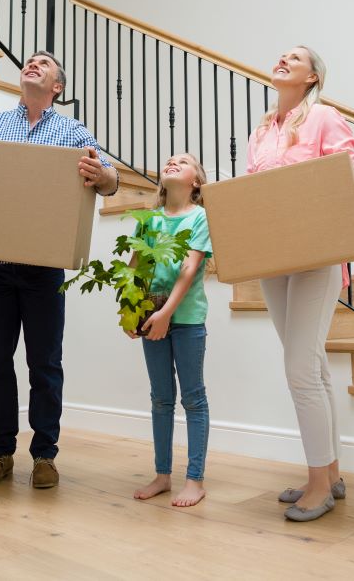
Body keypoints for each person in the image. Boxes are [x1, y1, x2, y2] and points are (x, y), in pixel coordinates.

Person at [0, 51, 118, 489]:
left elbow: (110, 178)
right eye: (29, 61)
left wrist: (101, 177)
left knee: (45, 364)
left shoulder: (72, 131)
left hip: (44, 271)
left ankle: (45, 455)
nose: (33, 63)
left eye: (45, 63)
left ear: (57, 87)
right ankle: (0, 452)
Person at [246, 46, 354, 522]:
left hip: (317, 255)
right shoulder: (261, 130)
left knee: (300, 368)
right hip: (272, 256)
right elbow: (253, 193)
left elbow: (351, 169)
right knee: (314, 366)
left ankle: (319, 486)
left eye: (295, 57)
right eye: (281, 54)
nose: (282, 59)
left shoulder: (324, 116)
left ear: (311, 77)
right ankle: (329, 473)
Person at [127, 153, 212, 508]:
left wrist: (165, 314)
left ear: (196, 181)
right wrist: (130, 312)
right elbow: (134, 268)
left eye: (184, 161)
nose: (173, 162)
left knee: (192, 397)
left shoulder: (200, 217)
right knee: (160, 398)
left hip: (187, 319)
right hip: (151, 317)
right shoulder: (148, 220)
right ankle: (163, 475)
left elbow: (188, 270)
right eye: (169, 160)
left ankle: (195, 479)